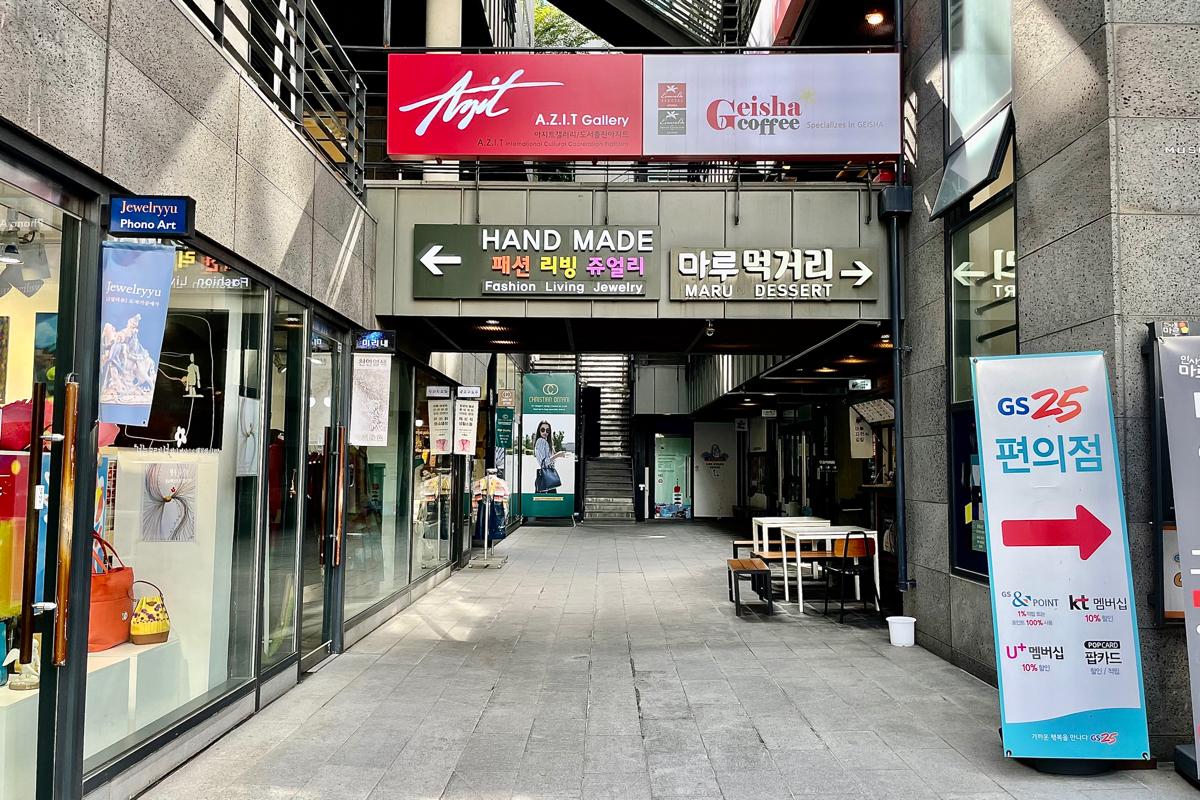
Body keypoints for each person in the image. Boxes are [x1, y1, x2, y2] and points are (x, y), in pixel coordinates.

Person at [534, 420, 564, 494]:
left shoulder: (545, 442)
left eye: (547, 430)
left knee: (544, 503)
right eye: (542, 430)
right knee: (549, 504)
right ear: (539, 431)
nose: (545, 432)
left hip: (547, 478)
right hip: (546, 479)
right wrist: (558, 455)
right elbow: (544, 462)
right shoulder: (541, 441)